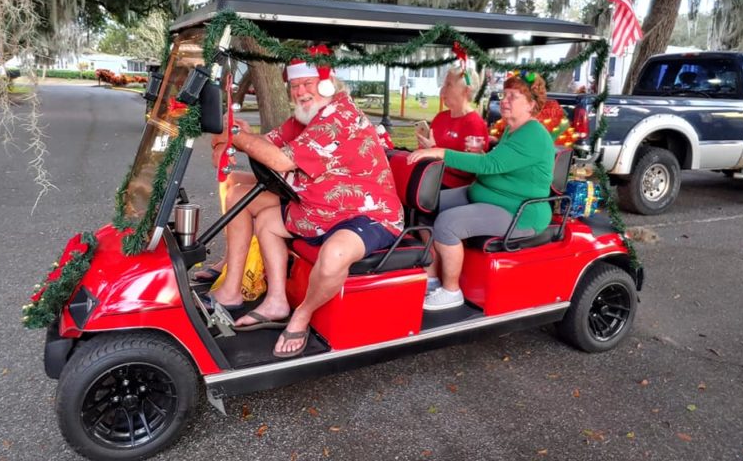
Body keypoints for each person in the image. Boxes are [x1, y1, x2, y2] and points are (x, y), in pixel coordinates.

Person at [206, 46, 404, 358]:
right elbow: (271, 143)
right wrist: (244, 134)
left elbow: (281, 162)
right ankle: (270, 299)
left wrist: (236, 139)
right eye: (295, 86)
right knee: (260, 214)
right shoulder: (306, 116)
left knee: (335, 252)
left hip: (367, 214)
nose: (300, 92)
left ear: (327, 83)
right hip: (320, 207)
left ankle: (303, 313)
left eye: (308, 83)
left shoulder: (338, 118)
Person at [407, 74, 554, 311]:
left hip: (518, 210)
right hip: (487, 195)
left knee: (447, 223)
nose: (504, 101)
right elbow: (497, 164)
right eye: (504, 95)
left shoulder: (533, 134)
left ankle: (451, 290)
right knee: (427, 204)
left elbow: (489, 166)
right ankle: (432, 276)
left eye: (512, 97)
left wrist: (440, 152)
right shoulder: (512, 129)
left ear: (530, 104)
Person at [416, 66, 489, 189]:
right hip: (429, 178)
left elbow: (469, 169)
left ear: (466, 91)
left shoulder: (474, 124)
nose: (442, 90)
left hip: (452, 189)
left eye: (448, 85)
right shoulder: (440, 117)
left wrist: (433, 150)